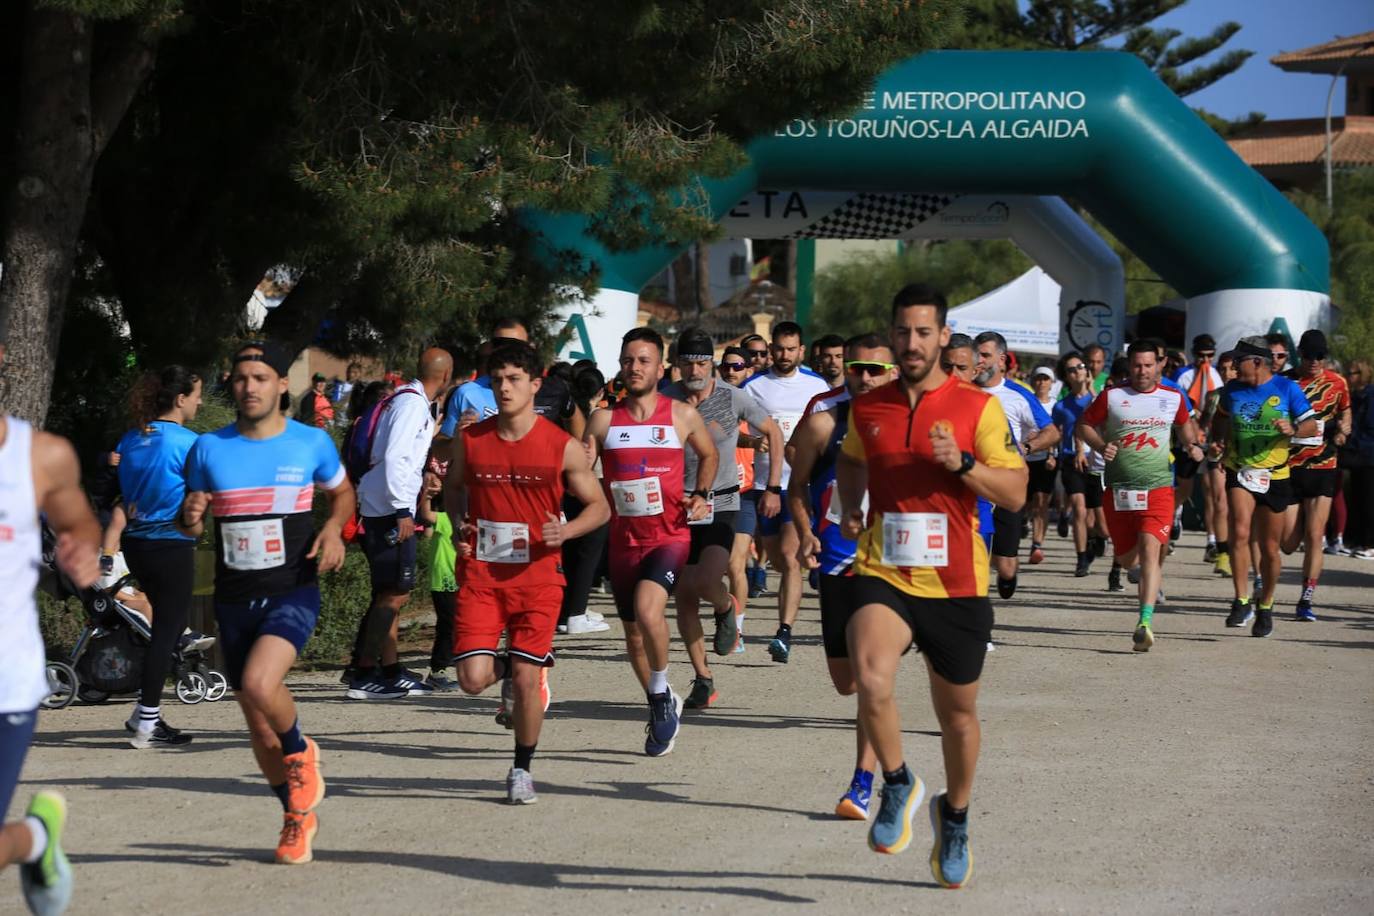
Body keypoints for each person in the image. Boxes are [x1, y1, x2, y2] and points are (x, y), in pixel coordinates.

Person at [837, 283, 1025, 888]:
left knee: (959, 717)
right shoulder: (869, 406)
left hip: (958, 582)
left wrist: (963, 465)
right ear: (891, 336)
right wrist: (848, 506)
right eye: (902, 332)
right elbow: (850, 458)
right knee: (870, 678)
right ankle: (897, 783)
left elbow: (1016, 492)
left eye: (924, 332)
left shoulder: (978, 408)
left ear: (943, 337)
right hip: (884, 570)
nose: (912, 343)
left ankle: (957, 815)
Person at [178, 340, 356, 865]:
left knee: (261, 683)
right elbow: (188, 522)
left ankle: (301, 752)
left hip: (292, 587)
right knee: (256, 722)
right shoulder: (207, 448)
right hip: (233, 596)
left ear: (282, 384)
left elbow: (342, 494)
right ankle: (296, 817)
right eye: (240, 378)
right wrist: (191, 514)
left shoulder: (311, 442)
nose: (249, 386)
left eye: (260, 377)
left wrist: (334, 529)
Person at [443, 341, 611, 803]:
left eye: (515, 379)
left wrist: (567, 531)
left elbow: (599, 508)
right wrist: (459, 524)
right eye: (497, 380)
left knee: (523, 678)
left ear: (536, 385)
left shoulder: (560, 446)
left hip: (538, 578)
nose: (504, 388)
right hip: (481, 575)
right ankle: (524, 664)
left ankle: (521, 769)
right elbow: (454, 490)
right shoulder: (473, 439)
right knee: (473, 681)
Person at [0, 336, 102, 916]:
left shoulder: (40, 456)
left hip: (5, 680)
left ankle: (35, 838)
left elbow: (80, 520)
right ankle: (37, 838)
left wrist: (80, 549)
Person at [584, 327, 716, 756]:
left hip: (669, 537)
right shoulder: (603, 419)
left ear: (662, 368)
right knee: (634, 636)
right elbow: (580, 465)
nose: (634, 368)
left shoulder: (680, 415)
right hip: (624, 542)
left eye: (643, 361)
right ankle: (662, 700)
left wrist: (701, 494)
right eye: (628, 360)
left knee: (647, 608)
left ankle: (660, 694)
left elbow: (709, 454)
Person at [788, 331, 895, 819]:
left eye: (876, 369)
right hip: (836, 558)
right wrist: (807, 532)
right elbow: (797, 486)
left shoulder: (914, 421)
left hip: (894, 561)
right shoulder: (823, 422)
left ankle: (864, 783)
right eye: (858, 368)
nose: (866, 377)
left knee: (873, 676)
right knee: (846, 682)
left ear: (895, 372)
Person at [663, 329, 780, 709]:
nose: (694, 369)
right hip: (678, 506)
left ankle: (726, 605)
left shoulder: (731, 397)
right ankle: (703, 678)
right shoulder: (666, 400)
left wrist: (774, 486)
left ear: (710, 364)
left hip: (722, 502)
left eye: (701, 361)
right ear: (677, 365)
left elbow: (773, 432)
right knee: (683, 596)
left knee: (706, 578)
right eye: (687, 362)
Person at [1076, 341, 1200, 651]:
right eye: (1136, 365)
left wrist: (1193, 446)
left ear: (1159, 365)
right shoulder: (1113, 395)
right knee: (1126, 557)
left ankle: (1144, 622)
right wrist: (1101, 445)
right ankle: (1136, 572)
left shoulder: (1172, 398)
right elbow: (1083, 425)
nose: (1142, 371)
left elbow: (1187, 430)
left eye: (1148, 365)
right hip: (1119, 491)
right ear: (1129, 366)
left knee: (1149, 549)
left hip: (1158, 489)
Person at [347, 348, 453, 699]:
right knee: (394, 593)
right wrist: (402, 511)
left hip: (384, 504)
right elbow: (394, 457)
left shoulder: (407, 400)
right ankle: (364, 673)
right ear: (446, 374)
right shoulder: (411, 405)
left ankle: (390, 670)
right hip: (389, 510)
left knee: (391, 592)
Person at [113, 366, 203, 747]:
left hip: (136, 543)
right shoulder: (189, 442)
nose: (200, 400)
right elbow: (200, 496)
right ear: (180, 399)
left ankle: (141, 714)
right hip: (170, 542)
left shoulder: (132, 438)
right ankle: (148, 720)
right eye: (197, 394)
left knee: (162, 628)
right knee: (168, 630)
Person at [1210, 336, 1316, 638]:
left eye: (1237, 361)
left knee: (1271, 548)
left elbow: (1312, 424)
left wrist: (1293, 429)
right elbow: (1220, 418)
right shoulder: (1232, 391)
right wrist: (1218, 440)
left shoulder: (1286, 388)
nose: (1231, 367)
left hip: (1275, 474)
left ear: (1257, 362)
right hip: (1239, 469)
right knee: (1240, 531)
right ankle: (1241, 600)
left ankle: (1266, 605)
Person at [741, 321, 830, 663]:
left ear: (802, 351)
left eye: (791, 349)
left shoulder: (816, 385)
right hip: (762, 485)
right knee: (777, 559)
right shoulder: (754, 386)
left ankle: (784, 631)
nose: (783, 355)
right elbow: (733, 431)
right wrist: (754, 441)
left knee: (791, 560)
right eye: (778, 349)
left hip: (800, 486)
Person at [972, 331, 1059, 598]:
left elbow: (1052, 431)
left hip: (1007, 484)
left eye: (985, 355)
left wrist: (1027, 447)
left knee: (1006, 566)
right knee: (975, 555)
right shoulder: (963, 390)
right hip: (973, 483)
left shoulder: (1018, 394)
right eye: (977, 356)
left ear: (1001, 359)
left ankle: (1006, 574)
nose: (980, 361)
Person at [1280, 330, 1351, 620]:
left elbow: (1346, 414)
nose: (1314, 361)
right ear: (1300, 354)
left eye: (1320, 356)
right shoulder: (1284, 382)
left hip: (1323, 465)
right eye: (1309, 355)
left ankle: (1306, 598)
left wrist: (1344, 431)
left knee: (1315, 534)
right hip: (1289, 466)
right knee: (1287, 542)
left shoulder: (1337, 383)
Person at [718, 347, 761, 646]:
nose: (731, 371)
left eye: (738, 366)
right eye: (727, 366)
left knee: (736, 564)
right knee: (709, 571)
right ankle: (724, 611)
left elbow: (775, 435)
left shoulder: (756, 402)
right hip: (715, 493)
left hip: (745, 493)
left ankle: (738, 628)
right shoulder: (710, 401)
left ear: (748, 370)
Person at [1052, 352, 1107, 578]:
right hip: (1070, 459)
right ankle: (1081, 557)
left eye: (1081, 367)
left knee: (1100, 523)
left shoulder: (1099, 398)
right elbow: (1054, 432)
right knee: (1079, 508)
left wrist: (1093, 391)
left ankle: (1096, 539)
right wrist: (1049, 453)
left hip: (1096, 461)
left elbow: (1105, 418)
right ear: (1066, 376)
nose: (1078, 372)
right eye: (1072, 369)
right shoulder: (1061, 406)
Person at [438, 318, 529, 435]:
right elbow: (442, 443)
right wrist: (459, 434)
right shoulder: (467, 393)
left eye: (516, 346)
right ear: (491, 348)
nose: (507, 351)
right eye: (499, 344)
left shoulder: (543, 390)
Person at [1203, 353, 1239, 576]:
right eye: (1222, 369)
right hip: (1218, 456)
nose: (1227, 373)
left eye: (1230, 369)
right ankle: (1223, 553)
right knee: (1221, 502)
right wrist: (1211, 445)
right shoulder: (1213, 396)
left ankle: (1239, 549)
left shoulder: (1246, 393)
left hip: (1243, 456)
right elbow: (1205, 426)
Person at [1024, 366, 1058, 565]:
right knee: (1024, 502)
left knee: (1041, 501)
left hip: (1046, 459)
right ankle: (1023, 520)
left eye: (1046, 379)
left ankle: (1037, 544)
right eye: (1038, 379)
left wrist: (1052, 454)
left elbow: (1058, 432)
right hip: (1024, 460)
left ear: (1051, 382)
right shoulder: (1025, 402)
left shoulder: (1055, 406)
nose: (1041, 383)